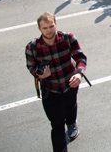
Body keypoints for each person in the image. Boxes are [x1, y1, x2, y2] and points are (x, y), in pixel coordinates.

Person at [25, 12, 87, 152]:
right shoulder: (32, 47)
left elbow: (80, 58)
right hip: (50, 91)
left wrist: (79, 74)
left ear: (56, 24)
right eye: (45, 28)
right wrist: (39, 74)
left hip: (70, 85)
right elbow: (30, 67)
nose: (49, 30)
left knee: (71, 107)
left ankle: (72, 124)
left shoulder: (68, 38)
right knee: (57, 125)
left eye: (51, 26)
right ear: (39, 29)